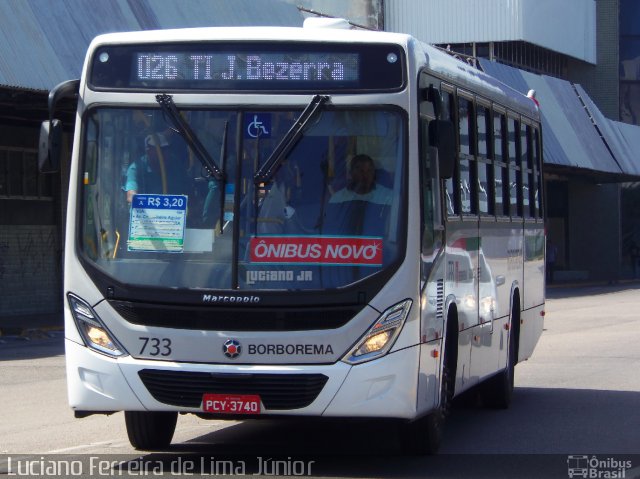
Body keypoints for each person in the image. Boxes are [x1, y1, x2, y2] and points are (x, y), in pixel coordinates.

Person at [324, 154, 393, 236]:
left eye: (369, 170)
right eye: (360, 170)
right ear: (350, 173)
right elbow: (331, 231)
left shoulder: (388, 197)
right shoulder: (338, 198)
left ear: (374, 173)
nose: (365, 175)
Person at [123, 133, 189, 203]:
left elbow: (190, 193)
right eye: (159, 150)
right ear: (148, 151)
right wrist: (137, 200)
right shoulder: (136, 168)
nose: (163, 154)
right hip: (145, 213)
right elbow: (131, 195)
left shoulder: (176, 166)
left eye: (166, 149)